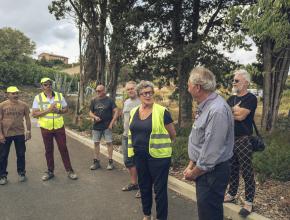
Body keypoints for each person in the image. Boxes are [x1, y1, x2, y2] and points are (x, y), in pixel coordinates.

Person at [183, 67, 234, 220]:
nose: (187, 87)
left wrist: (194, 173)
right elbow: (200, 140)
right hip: (205, 171)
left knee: (209, 215)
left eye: (189, 84)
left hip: (211, 173)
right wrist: (191, 164)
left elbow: (211, 152)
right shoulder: (206, 106)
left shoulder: (216, 110)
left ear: (197, 88)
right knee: (206, 212)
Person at [128, 80, 176, 220]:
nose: (148, 96)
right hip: (139, 156)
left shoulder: (162, 112)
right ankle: (147, 215)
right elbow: (132, 133)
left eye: (150, 93)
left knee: (160, 191)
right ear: (139, 95)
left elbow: (172, 134)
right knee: (144, 187)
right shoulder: (133, 112)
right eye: (144, 93)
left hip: (159, 158)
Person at [225, 69, 257, 217]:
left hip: (244, 139)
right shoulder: (231, 99)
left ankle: (249, 202)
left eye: (236, 80)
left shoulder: (251, 98)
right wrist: (234, 110)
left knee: (246, 170)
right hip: (230, 139)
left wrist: (234, 112)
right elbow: (225, 114)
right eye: (233, 80)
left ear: (245, 82)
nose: (234, 82)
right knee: (232, 169)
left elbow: (241, 117)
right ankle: (231, 194)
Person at [32, 77, 77, 181]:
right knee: (48, 150)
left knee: (63, 148)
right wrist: (49, 110)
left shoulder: (59, 96)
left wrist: (58, 111)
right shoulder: (38, 98)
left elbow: (66, 109)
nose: (48, 86)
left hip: (59, 127)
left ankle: (69, 170)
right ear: (41, 86)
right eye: (45, 84)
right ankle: (50, 171)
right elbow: (34, 114)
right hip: (45, 128)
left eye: (50, 84)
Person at [0, 86, 31, 185]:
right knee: (3, 155)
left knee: (21, 154)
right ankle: (2, 175)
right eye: (13, 93)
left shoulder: (24, 105)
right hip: (6, 134)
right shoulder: (2, 105)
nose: (16, 95)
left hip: (19, 133)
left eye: (17, 93)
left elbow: (27, 119)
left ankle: (21, 173)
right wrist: (0, 134)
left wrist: (28, 131)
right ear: (8, 94)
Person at [89, 85, 119, 170]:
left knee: (109, 143)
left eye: (100, 91)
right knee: (96, 143)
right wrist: (94, 117)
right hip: (96, 126)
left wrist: (112, 123)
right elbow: (90, 112)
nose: (98, 92)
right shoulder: (94, 100)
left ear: (104, 91)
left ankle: (110, 162)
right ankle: (96, 162)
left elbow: (116, 111)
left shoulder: (110, 100)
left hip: (107, 127)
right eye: (97, 91)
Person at [121, 81, 141, 198]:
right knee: (128, 161)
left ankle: (144, 187)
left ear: (136, 89)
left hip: (139, 137)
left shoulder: (142, 101)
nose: (130, 91)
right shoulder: (126, 102)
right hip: (126, 136)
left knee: (141, 163)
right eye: (128, 89)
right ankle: (134, 183)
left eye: (132, 88)